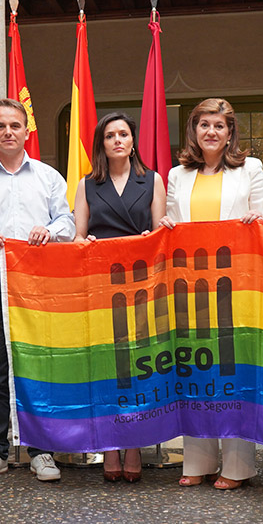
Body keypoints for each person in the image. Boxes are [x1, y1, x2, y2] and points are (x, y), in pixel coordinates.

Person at [0, 98, 75, 481]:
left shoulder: (48, 177)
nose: (8, 132)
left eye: (15, 125)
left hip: (38, 283)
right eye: (0, 126)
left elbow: (68, 223)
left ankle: (42, 451)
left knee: (38, 366)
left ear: (27, 131)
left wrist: (50, 231)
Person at [164, 98, 263, 490]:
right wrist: (165, 225)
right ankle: (198, 461)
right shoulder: (177, 174)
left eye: (219, 126)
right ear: (194, 130)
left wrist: (256, 220)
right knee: (196, 371)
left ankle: (238, 467)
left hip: (235, 285)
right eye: (204, 125)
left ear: (230, 133)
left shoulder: (250, 168)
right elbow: (172, 222)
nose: (211, 132)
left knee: (232, 374)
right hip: (190, 287)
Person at [74, 112, 169, 483]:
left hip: (142, 284)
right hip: (102, 285)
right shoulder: (87, 184)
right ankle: (110, 445)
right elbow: (78, 236)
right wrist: (85, 243)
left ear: (132, 141)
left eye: (123, 134)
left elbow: (160, 234)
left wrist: (154, 238)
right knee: (108, 368)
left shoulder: (152, 180)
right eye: (110, 135)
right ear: (102, 143)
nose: (117, 140)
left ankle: (134, 445)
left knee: (138, 367)